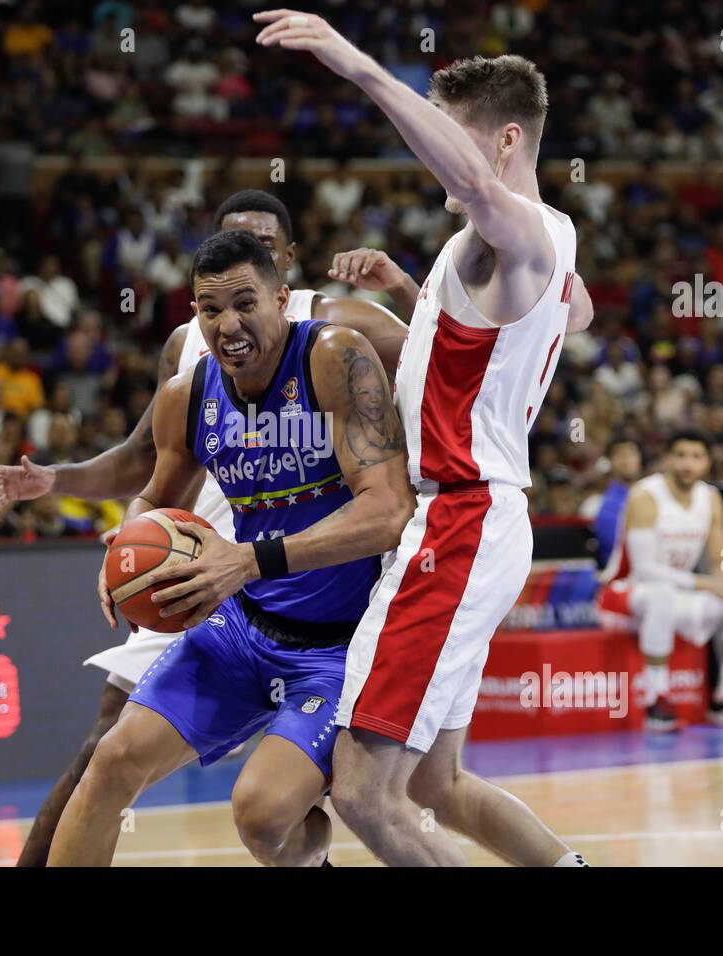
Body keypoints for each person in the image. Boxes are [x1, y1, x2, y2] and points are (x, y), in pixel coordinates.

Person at [0, 189, 414, 866]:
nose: (229, 323)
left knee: (263, 816)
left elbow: (387, 512)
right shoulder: (188, 393)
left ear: (282, 296)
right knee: (112, 756)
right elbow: (151, 492)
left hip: (339, 648)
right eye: (212, 309)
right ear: (194, 315)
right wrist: (124, 551)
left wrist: (248, 559)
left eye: (245, 303)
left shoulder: (337, 353)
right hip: (239, 626)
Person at [256, 12, 592, 866]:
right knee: (439, 785)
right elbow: (561, 317)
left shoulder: (516, 228)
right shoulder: (520, 250)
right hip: (481, 518)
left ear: (505, 139)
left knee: (365, 791)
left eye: (456, 133)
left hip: (459, 521)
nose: (434, 154)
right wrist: (418, 293)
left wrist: (356, 65)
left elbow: (486, 195)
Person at [598, 431, 723, 731]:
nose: (687, 464)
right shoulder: (645, 496)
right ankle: (656, 701)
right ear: (667, 459)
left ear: (707, 463)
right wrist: (709, 584)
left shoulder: (710, 497)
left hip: (677, 593)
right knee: (661, 594)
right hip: (624, 594)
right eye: (680, 455)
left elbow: (721, 553)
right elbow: (644, 570)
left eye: (696, 457)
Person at [592, 436, 642, 565]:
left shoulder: (649, 493)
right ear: (610, 462)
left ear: (639, 460)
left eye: (631, 454)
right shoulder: (606, 505)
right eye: (620, 455)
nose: (626, 461)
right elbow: (615, 550)